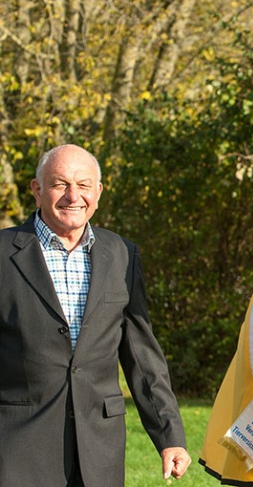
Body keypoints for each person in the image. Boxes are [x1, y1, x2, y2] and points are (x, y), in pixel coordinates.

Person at [0, 144, 191, 486]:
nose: (73, 196)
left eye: (84, 185)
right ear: (36, 190)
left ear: (98, 192)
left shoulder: (122, 255)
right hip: (17, 449)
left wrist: (170, 437)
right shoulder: (3, 255)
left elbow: (141, 355)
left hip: (99, 451)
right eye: (60, 184)